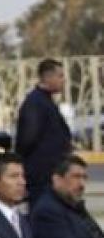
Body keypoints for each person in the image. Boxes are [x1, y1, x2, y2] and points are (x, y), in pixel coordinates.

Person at [30, 154, 104, 238]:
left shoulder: (72, 205)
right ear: (57, 179)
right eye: (76, 177)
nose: (82, 184)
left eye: (84, 178)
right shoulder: (47, 212)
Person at [15, 58, 72, 206]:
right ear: (47, 77)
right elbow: (27, 139)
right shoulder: (35, 103)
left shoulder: (45, 101)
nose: (63, 80)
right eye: (60, 76)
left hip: (50, 175)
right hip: (41, 178)